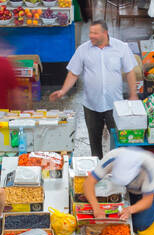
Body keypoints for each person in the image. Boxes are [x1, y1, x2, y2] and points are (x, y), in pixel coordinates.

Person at [50, 21, 139, 158]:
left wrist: (133, 94)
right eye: (90, 32)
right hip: (91, 105)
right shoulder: (83, 50)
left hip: (114, 105)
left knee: (119, 141)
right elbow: (74, 73)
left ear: (105, 33)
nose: (91, 36)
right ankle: (98, 169)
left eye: (95, 33)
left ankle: (117, 168)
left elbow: (130, 72)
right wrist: (63, 91)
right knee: (94, 143)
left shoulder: (121, 48)